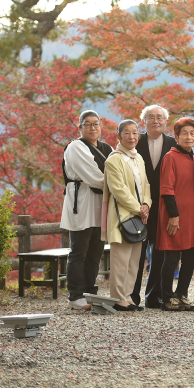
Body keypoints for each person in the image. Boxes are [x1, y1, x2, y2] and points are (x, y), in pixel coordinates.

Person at [61, 110, 113, 310]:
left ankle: (90, 291)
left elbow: (118, 170)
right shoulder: (75, 147)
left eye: (96, 123)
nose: (93, 127)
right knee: (79, 251)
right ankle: (75, 295)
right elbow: (95, 177)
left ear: (100, 126)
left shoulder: (107, 148)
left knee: (95, 252)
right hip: (82, 202)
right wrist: (119, 187)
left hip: (101, 203)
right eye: (88, 124)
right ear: (80, 127)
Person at [157, 117, 194, 312]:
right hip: (175, 215)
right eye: (184, 133)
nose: (189, 137)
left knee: (189, 256)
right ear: (176, 137)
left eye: (192, 133)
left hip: (193, 216)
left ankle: (181, 294)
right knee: (171, 257)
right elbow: (166, 188)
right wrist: (173, 215)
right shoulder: (170, 157)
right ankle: (166, 298)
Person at [103, 119, 151, 312]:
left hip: (139, 216)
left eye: (135, 133)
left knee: (134, 262)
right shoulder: (113, 160)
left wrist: (146, 204)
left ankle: (129, 297)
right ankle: (118, 298)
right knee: (121, 261)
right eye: (127, 133)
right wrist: (139, 208)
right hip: (122, 216)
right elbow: (119, 190)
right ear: (119, 136)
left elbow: (146, 184)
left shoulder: (138, 158)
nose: (132, 137)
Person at [133, 104, 175, 309]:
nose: (155, 120)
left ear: (166, 122)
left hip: (163, 205)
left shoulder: (174, 144)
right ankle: (131, 296)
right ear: (144, 121)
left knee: (159, 252)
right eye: (151, 117)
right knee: (136, 252)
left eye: (160, 117)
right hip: (137, 205)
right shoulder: (135, 141)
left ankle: (153, 296)